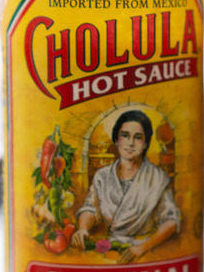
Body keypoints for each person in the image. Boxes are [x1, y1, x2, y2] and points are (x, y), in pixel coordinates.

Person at [70, 110, 181, 263]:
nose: (130, 143)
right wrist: (82, 228)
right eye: (125, 135)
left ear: (146, 143)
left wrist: (142, 247)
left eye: (138, 137)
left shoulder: (157, 178)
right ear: (117, 139)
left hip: (146, 253)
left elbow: (171, 222)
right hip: (110, 249)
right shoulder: (103, 176)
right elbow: (91, 209)